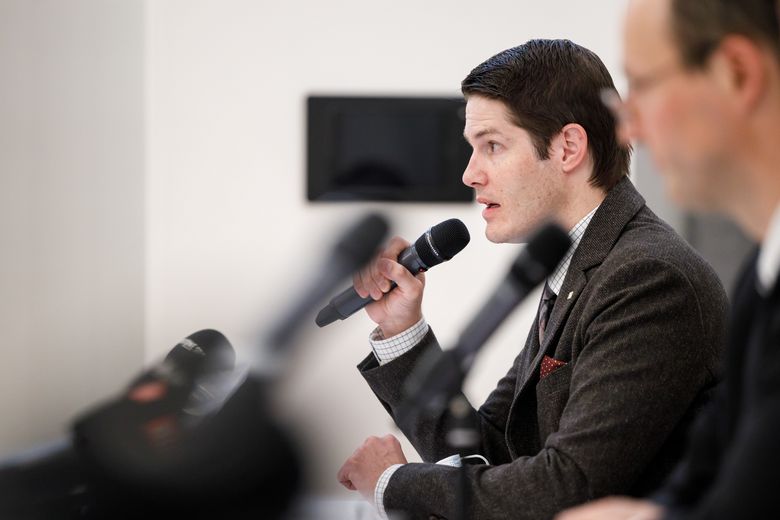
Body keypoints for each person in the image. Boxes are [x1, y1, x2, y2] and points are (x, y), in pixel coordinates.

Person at [336, 39, 728, 520]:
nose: (469, 174)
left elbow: (565, 488)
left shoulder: (647, 278)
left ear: (567, 148)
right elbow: (496, 450)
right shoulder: (583, 264)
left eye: (492, 146)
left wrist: (393, 484)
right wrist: (402, 329)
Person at [556, 1, 780, 519]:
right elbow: (712, 478)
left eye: (643, 86)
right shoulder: (759, 279)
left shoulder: (652, 273)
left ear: (736, 73)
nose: (630, 130)